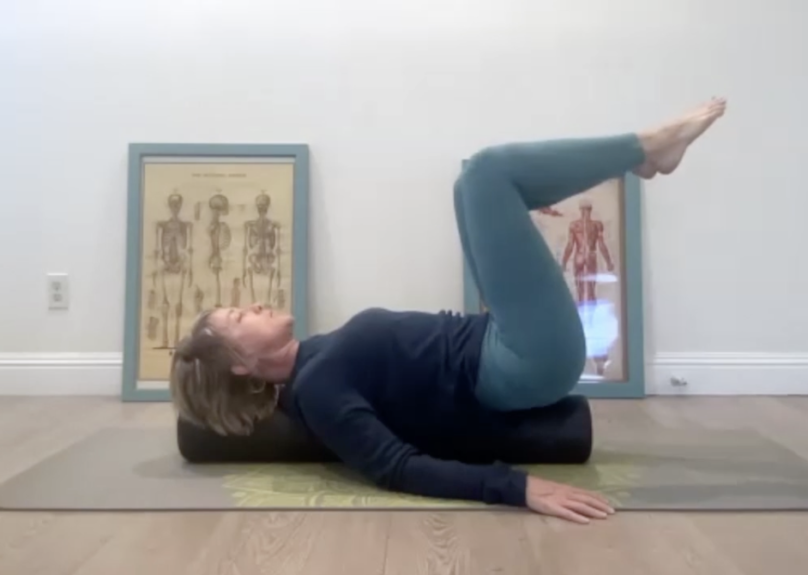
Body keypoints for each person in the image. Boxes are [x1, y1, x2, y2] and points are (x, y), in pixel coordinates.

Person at [169, 98, 728, 524]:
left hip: (501, 339)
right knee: (486, 173)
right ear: (240, 363)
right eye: (240, 318)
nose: (255, 305)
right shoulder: (316, 389)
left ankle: (649, 154)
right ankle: (649, 148)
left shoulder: (316, 358)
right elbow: (395, 466)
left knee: (469, 186)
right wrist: (517, 488)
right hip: (522, 361)